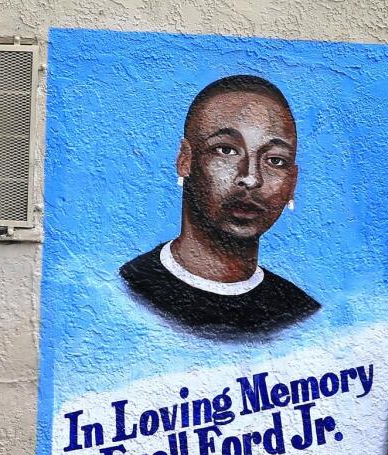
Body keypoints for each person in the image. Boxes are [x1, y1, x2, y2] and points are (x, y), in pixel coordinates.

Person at [120, 74, 320, 338]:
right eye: (226, 150)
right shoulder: (127, 288)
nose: (251, 178)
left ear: (291, 183)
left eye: (275, 160)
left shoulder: (302, 314)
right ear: (185, 160)